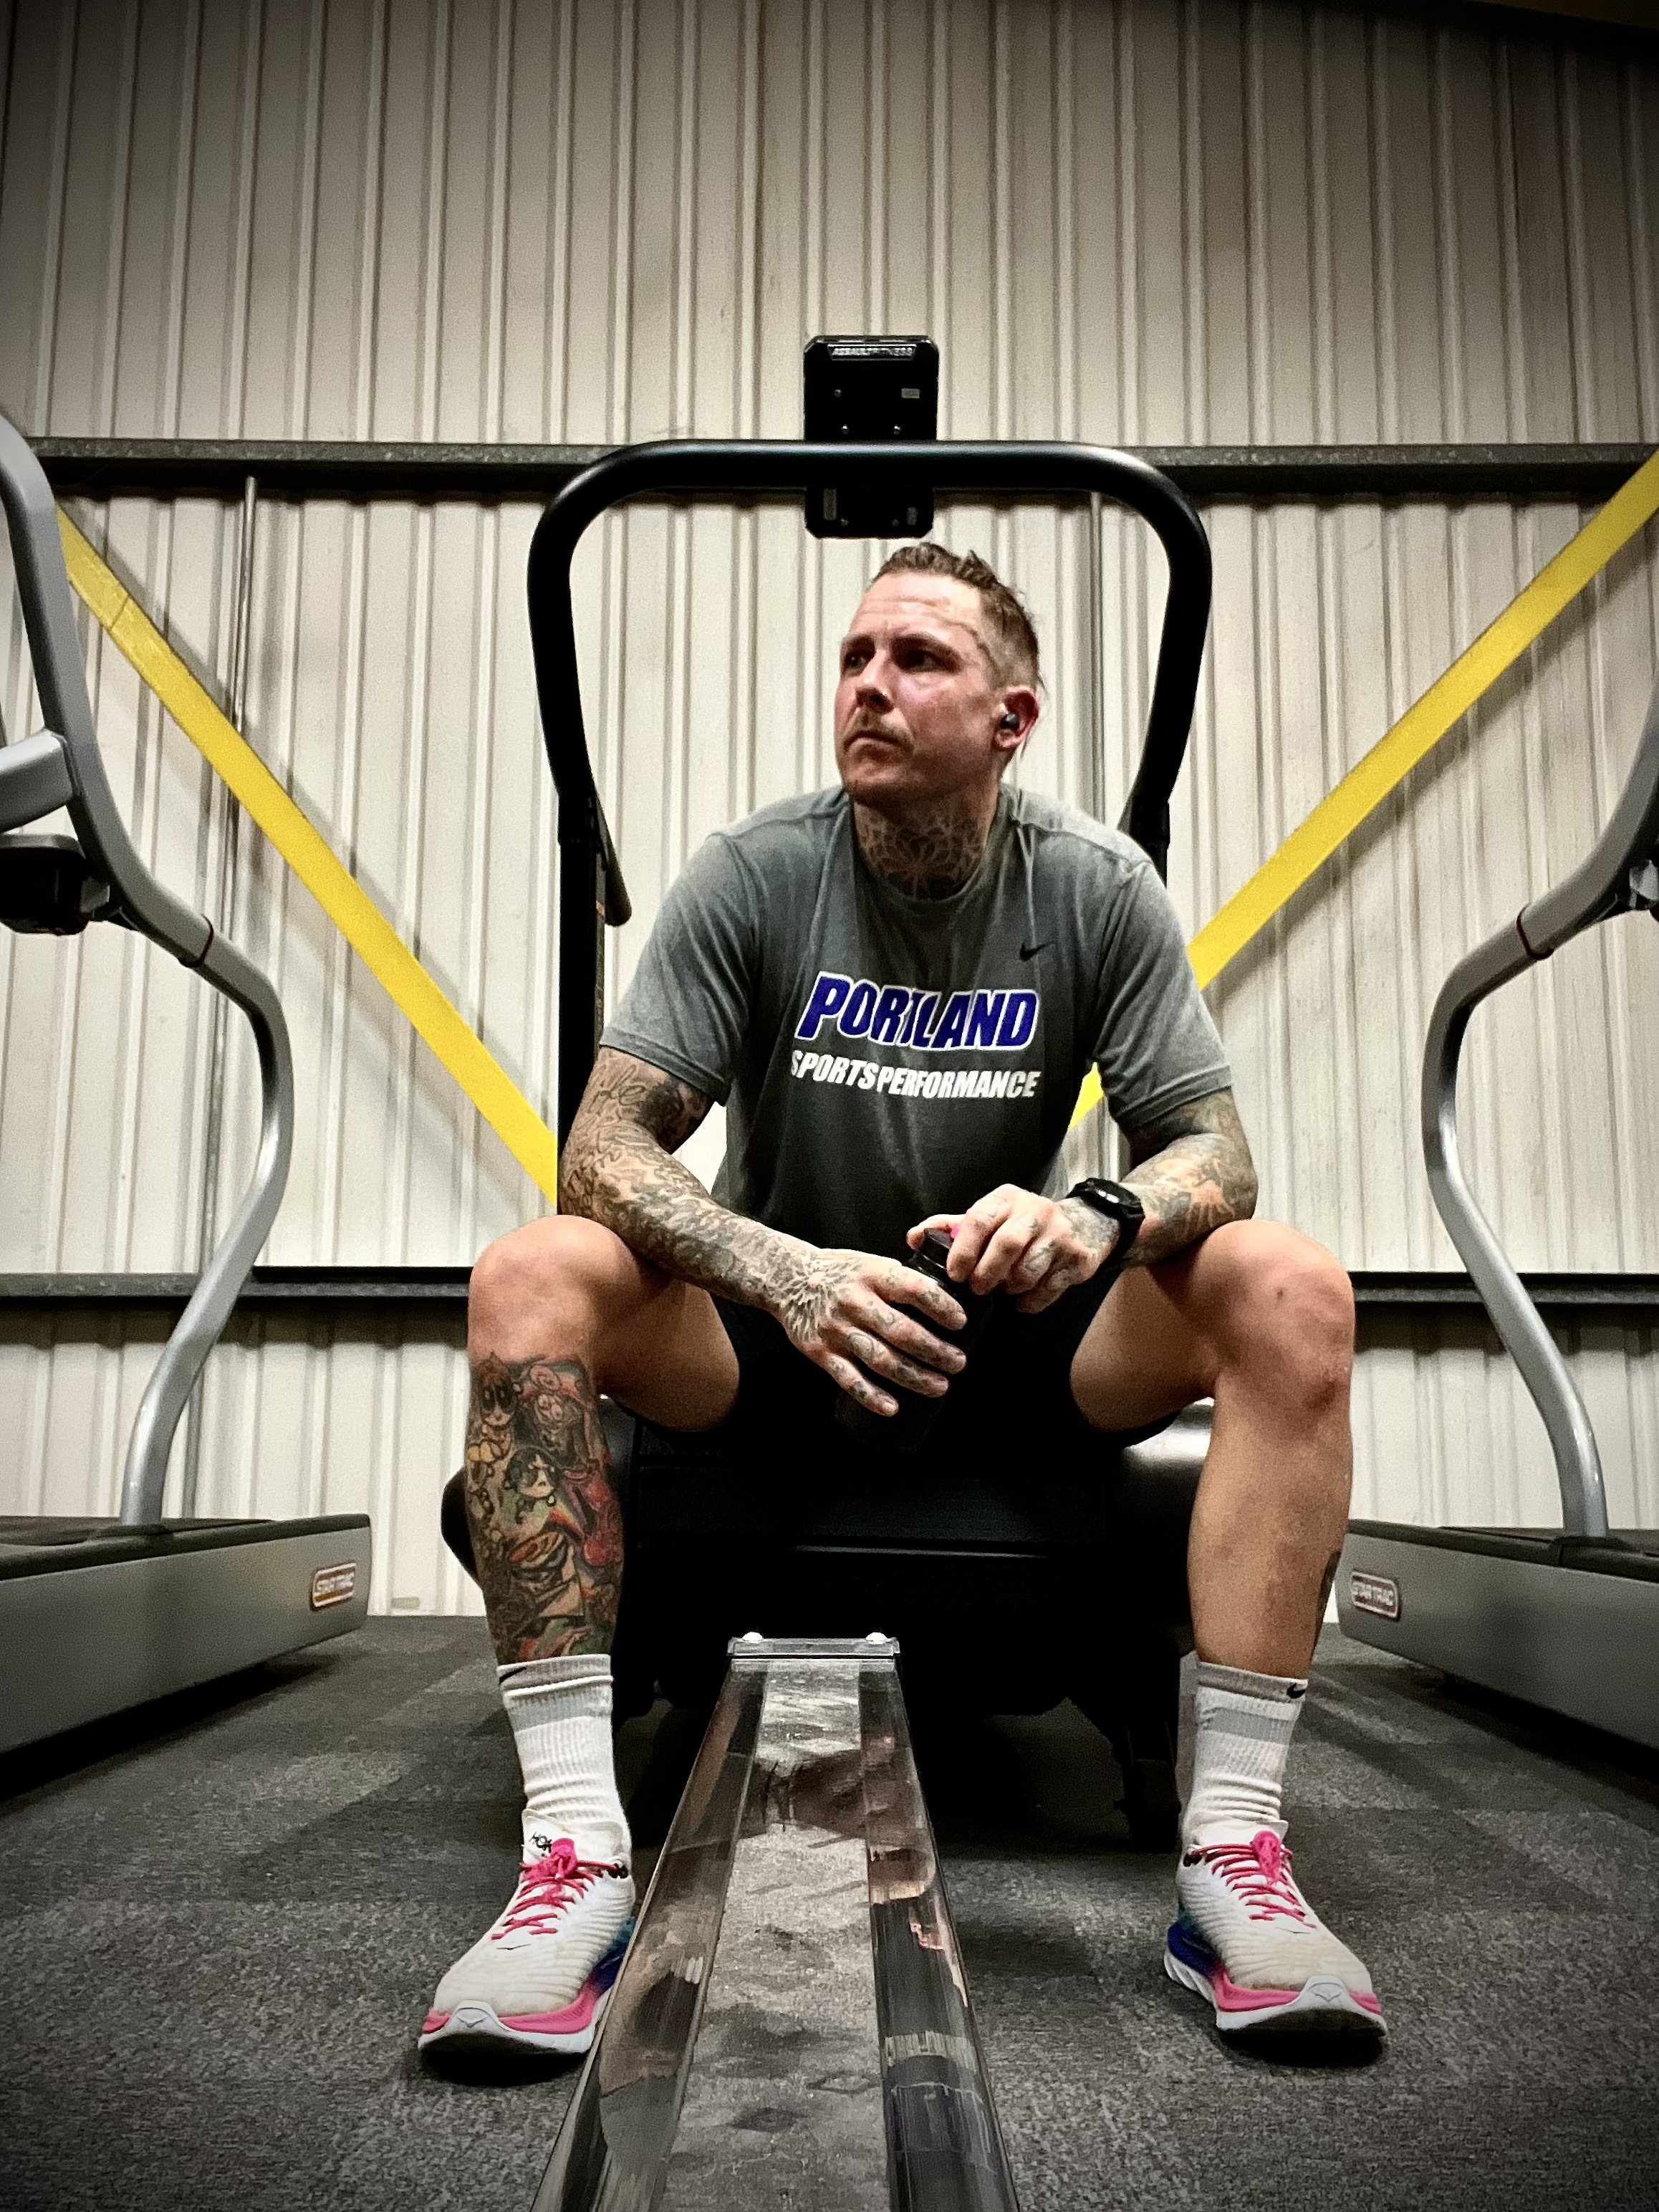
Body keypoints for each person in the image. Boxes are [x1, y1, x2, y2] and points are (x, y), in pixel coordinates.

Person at [418, 542, 1385, 2059]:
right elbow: (601, 1144)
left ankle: (1237, 1864)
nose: (869, 681)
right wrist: (775, 1264)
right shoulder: (756, 871)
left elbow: (1218, 1150)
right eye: (857, 654)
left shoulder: (1093, 885)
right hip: (773, 1328)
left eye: (918, 658)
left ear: (1012, 719)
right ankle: (573, 1861)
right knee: (531, 1268)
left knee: (1289, 1283)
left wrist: (1096, 1213)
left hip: (1004, 1336)